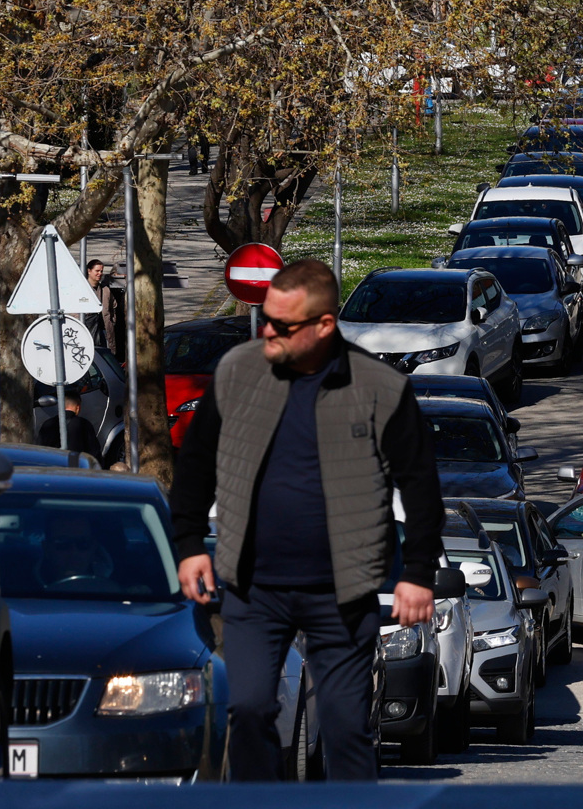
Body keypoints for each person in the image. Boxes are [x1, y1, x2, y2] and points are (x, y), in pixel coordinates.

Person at [168, 258, 444, 782]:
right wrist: (189, 544)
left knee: (344, 725)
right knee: (247, 710)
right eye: (267, 318)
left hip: (342, 591)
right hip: (252, 588)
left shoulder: (380, 387)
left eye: (282, 325)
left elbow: (420, 483)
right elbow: (196, 465)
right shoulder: (237, 373)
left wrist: (418, 573)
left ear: (323, 326)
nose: (266, 330)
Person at [37, 391, 104, 458]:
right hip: (75, 466)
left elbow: (39, 450)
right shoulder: (84, 424)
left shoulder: (47, 424)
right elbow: (94, 452)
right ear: (78, 408)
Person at [84, 259, 115, 349]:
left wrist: (111, 322)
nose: (100, 273)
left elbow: (113, 307)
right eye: (97, 271)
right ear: (89, 271)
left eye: (101, 271)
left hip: (104, 331)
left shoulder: (106, 290)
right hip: (88, 331)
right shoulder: (82, 289)